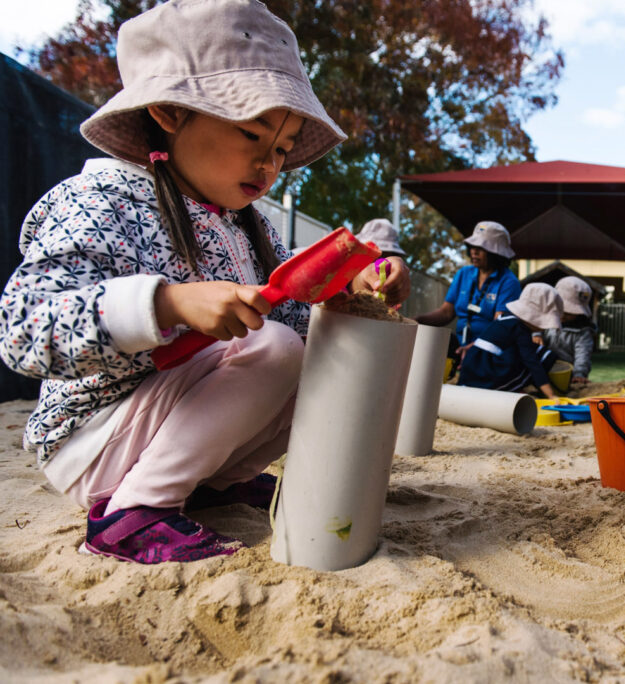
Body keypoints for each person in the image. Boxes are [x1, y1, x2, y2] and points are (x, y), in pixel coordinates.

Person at [0, 0, 410, 565]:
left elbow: (294, 317)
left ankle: (216, 486)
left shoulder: (247, 226)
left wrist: (355, 285)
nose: (269, 166)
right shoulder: (99, 201)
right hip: (94, 439)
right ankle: (131, 514)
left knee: (326, 357)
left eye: (284, 150)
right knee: (271, 348)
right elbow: (23, 329)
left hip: (170, 432)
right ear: (169, 111)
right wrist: (165, 303)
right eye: (251, 134)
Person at [415, 221, 521, 355]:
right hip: (460, 345)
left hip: (489, 351)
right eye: (472, 246)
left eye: (481, 248)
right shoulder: (463, 273)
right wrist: (418, 320)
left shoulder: (509, 282)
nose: (474, 251)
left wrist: (475, 347)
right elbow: (446, 313)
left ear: (496, 253)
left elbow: (499, 329)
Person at [458, 283, 563, 399]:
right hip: (486, 375)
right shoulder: (520, 329)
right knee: (543, 354)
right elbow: (532, 363)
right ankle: (514, 387)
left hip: (470, 371)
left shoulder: (505, 318)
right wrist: (551, 395)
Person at [540, 276, 597, 388]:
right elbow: (535, 326)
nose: (564, 316)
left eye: (570, 313)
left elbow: (583, 354)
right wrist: (536, 335)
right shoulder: (547, 320)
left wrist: (579, 373)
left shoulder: (583, 332)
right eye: (562, 310)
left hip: (567, 375)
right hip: (543, 371)